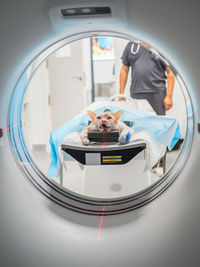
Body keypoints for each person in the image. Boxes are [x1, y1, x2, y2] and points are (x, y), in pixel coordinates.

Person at [119, 42, 175, 115]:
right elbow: (124, 69)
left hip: (157, 94)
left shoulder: (161, 46)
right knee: (138, 122)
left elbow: (171, 73)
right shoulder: (131, 46)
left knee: (158, 122)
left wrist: (169, 96)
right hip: (137, 93)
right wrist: (121, 94)